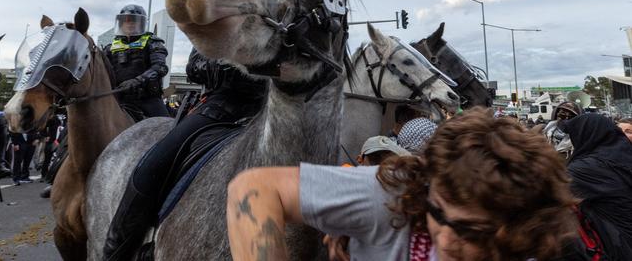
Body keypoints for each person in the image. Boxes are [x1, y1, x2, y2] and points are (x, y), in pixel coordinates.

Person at [227, 108, 579, 261]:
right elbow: (254, 188)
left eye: (472, 229)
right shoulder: (395, 191)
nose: (446, 237)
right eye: (437, 212)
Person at [102, 48, 268, 261]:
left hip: (282, 110)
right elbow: (195, 66)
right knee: (150, 167)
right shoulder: (220, 17)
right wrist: (231, 67)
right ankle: (115, 253)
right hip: (223, 107)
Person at [561, 114, 632, 259]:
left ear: (584, 135)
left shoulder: (587, 168)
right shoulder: (621, 153)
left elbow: (554, 190)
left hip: (617, 244)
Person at [104, 4, 169, 118]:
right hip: (118, 98)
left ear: (141, 23)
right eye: (126, 21)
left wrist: (137, 81)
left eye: (134, 21)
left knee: (168, 129)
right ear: (121, 24)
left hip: (147, 98)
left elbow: (160, 67)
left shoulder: (152, 42)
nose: (130, 24)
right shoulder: (110, 47)